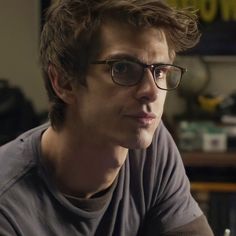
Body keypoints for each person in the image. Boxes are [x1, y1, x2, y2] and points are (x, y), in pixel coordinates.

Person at [0, 0, 214, 235]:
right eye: (122, 68)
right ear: (63, 82)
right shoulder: (8, 204)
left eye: (160, 71)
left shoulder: (152, 147)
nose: (152, 91)